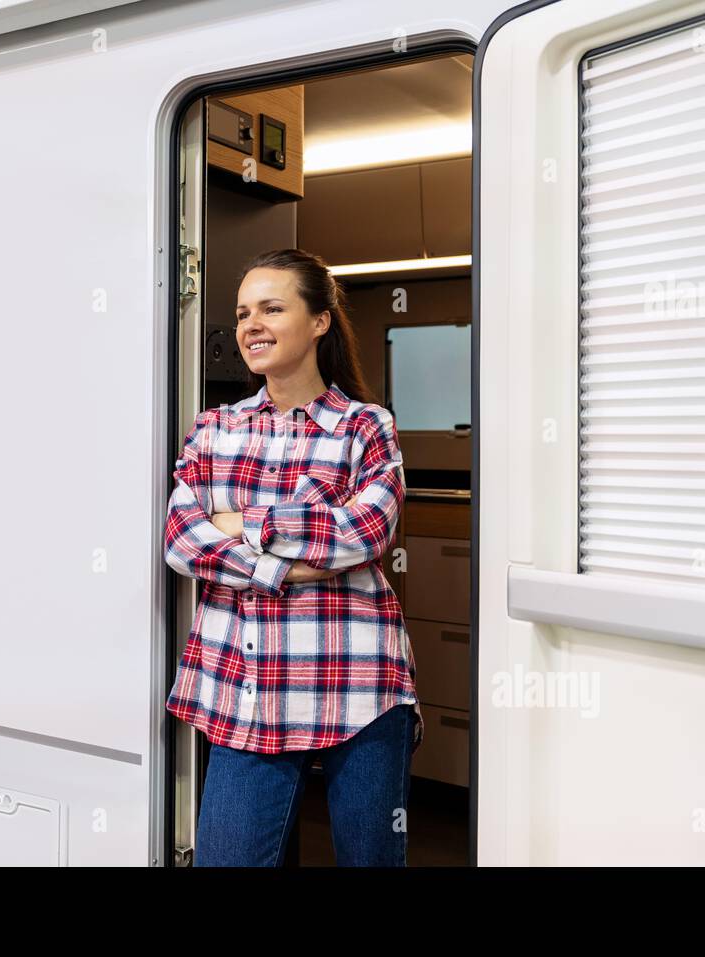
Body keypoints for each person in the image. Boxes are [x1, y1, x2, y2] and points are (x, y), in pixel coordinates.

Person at [163, 247, 422, 867]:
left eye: (272, 309)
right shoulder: (215, 428)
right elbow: (179, 539)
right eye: (243, 312)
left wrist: (237, 525)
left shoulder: (365, 427)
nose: (251, 325)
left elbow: (364, 532)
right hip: (247, 689)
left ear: (319, 321)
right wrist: (286, 563)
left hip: (359, 685)